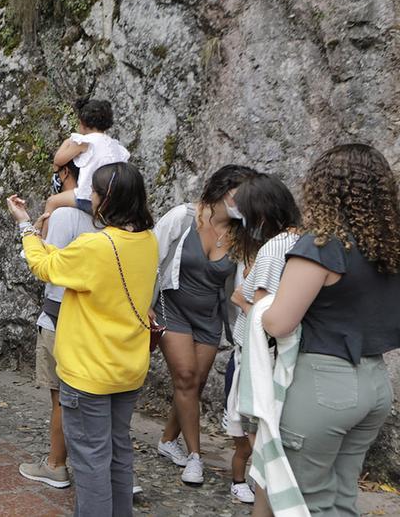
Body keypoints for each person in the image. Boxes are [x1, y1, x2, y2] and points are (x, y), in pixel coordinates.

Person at [7, 161, 158, 517]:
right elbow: (61, 260)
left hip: (89, 371)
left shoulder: (96, 245)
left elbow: (46, 268)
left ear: (106, 200)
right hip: (128, 367)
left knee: (90, 461)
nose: (89, 197)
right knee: (119, 453)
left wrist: (25, 226)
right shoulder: (147, 240)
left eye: (94, 192)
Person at [262, 144, 400, 515]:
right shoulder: (388, 247)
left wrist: (260, 308)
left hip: (323, 384)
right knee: (341, 498)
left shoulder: (323, 245)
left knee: (305, 501)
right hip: (374, 383)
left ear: (322, 188)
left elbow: (279, 322)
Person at [154, 165, 259, 485]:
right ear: (221, 190)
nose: (243, 204)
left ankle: (167, 440)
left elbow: (245, 283)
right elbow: (151, 257)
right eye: (238, 196)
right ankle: (195, 457)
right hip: (172, 308)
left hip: (209, 318)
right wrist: (144, 305)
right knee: (185, 376)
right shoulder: (183, 217)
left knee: (195, 383)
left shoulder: (243, 234)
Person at [221, 174, 302, 510]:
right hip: (277, 357)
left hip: (259, 358)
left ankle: (267, 502)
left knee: (260, 439)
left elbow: (259, 306)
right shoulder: (304, 241)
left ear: (262, 215)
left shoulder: (275, 247)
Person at [19, 160, 98, 490]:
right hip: (98, 319)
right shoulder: (114, 218)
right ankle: (111, 468)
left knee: (62, 399)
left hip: (60, 313)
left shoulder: (63, 215)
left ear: (65, 174)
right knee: (100, 398)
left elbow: (46, 266)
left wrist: (30, 231)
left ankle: (56, 465)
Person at [43, 99, 129, 218]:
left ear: (82, 123)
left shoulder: (84, 142)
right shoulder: (117, 147)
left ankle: (42, 236)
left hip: (89, 198)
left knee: (52, 202)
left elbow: (58, 160)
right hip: (114, 202)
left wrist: (67, 141)